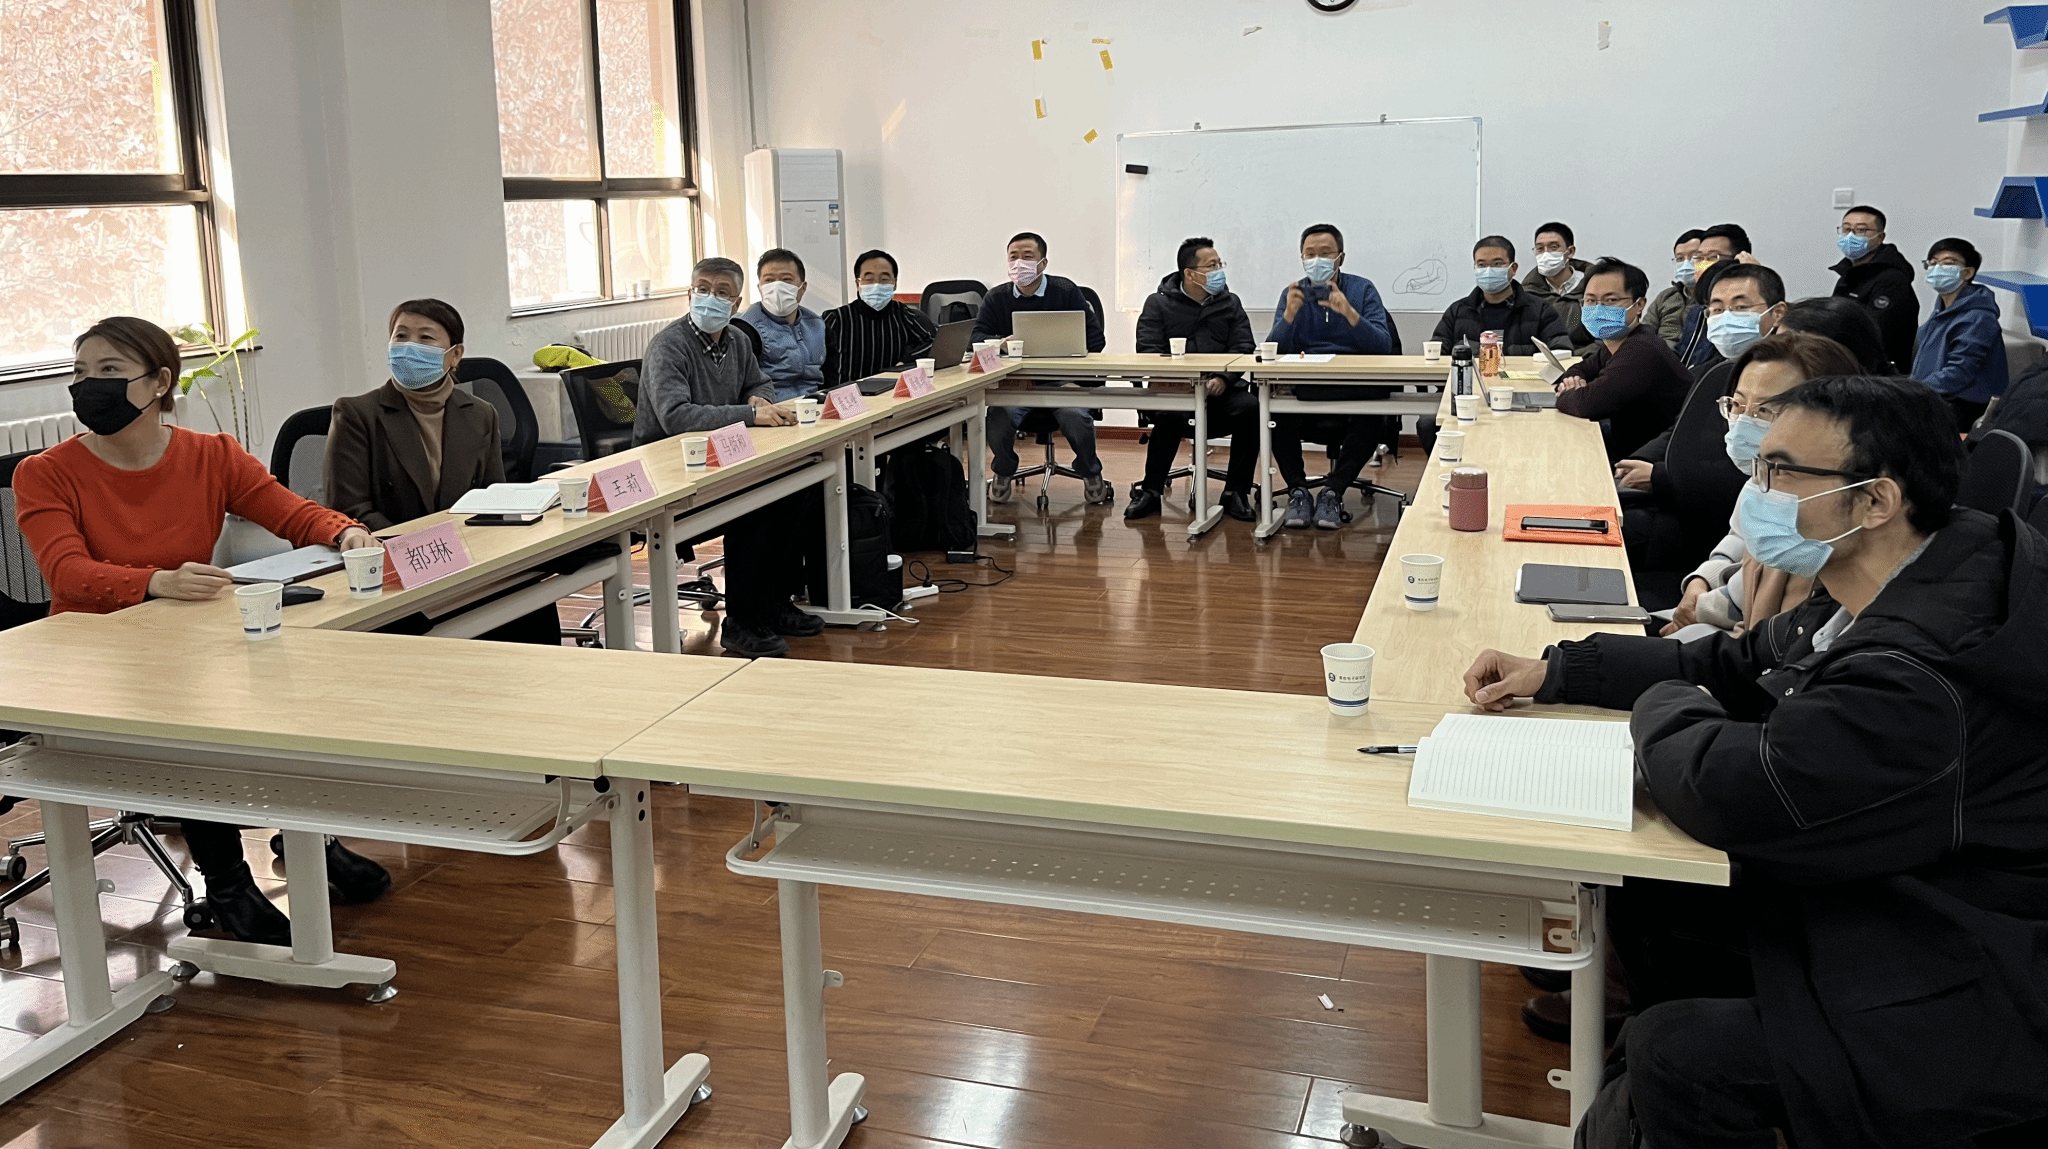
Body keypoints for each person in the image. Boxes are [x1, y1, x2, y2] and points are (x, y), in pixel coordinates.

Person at [1463, 374, 2048, 1149]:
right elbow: (1730, 664)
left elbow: (1726, 787)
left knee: (1677, 1055)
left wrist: (1660, 706)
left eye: (1779, 471)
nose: (1755, 490)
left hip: (1974, 968)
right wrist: (1561, 669)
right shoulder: (1898, 569)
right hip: (1894, 884)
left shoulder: (1919, 670)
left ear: (1877, 499)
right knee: (1651, 895)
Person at [12, 317, 392, 945]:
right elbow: (67, 573)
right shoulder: (45, 472)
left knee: (292, 691)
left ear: (160, 382)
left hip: (187, 640)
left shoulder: (210, 455)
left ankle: (309, 839)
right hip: (94, 658)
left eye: (109, 371)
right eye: (80, 373)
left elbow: (288, 512)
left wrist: (344, 531)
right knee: (194, 720)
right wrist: (156, 581)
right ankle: (228, 885)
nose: (88, 385)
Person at [324, 298, 562, 645]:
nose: (410, 347)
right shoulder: (357, 414)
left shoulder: (481, 414)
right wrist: (421, 549)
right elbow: (349, 510)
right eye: (401, 336)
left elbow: (492, 500)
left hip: (466, 560)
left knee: (532, 600)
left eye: (425, 338)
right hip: (397, 569)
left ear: (455, 355)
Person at [634, 256, 826, 658]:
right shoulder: (669, 346)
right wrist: (749, 414)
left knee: (798, 489)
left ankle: (772, 605)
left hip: (722, 462)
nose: (710, 298)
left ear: (736, 303)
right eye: (703, 289)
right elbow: (676, 417)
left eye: (722, 292)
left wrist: (759, 400)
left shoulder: (737, 341)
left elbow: (761, 383)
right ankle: (740, 622)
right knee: (755, 507)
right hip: (673, 473)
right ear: (689, 294)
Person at [1656, 332, 1863, 643]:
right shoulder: (1763, 478)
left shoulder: (1828, 508)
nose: (1743, 422)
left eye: (1765, 411)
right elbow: (1741, 539)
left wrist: (1703, 609)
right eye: (1737, 405)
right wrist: (1703, 580)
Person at [1613, 264, 1790, 607]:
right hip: (1678, 509)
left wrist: (1660, 477)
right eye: (1717, 309)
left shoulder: (1785, 381)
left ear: (1777, 312)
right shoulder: (1712, 369)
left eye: (1741, 307)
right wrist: (1637, 460)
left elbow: (1742, 478)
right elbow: (1678, 429)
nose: (1726, 317)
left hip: (1695, 525)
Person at [1266, 223, 1397, 531]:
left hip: (1355, 389)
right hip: (1308, 389)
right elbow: (1274, 351)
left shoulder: (1362, 290)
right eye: (1309, 254)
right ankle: (1298, 491)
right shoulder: (1293, 293)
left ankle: (1332, 492)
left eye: (1325, 253)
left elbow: (1382, 346)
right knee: (1274, 412)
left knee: (1373, 416)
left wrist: (1349, 313)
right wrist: (1289, 317)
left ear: (1341, 257)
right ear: (1302, 258)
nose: (1317, 260)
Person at [971, 231, 1111, 505]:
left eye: (1027, 256)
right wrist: (1000, 344)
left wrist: (1075, 375)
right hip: (1016, 384)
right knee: (998, 418)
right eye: (1013, 257)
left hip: (1062, 381)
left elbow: (1096, 340)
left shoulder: (1066, 291)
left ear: (1043, 263)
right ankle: (1004, 470)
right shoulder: (996, 297)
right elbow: (975, 339)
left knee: (1075, 415)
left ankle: (1090, 470)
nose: (1019, 263)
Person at [1126, 237, 1259, 522]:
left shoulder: (1230, 302)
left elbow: (1243, 346)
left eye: (1219, 264)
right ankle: (1151, 491)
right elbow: (1149, 350)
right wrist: (1185, 382)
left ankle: (1236, 492)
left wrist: (1223, 378)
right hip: (1178, 390)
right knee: (1168, 414)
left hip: (1222, 391)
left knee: (1251, 409)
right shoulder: (1158, 304)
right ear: (1190, 273)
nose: (1219, 271)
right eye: (1212, 266)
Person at [1553, 258, 1692, 462]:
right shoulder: (1618, 342)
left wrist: (1566, 393)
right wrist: (1574, 381)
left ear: (1640, 305)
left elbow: (1586, 404)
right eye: (1590, 301)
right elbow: (1581, 368)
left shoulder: (1641, 350)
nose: (1598, 309)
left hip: (1648, 463)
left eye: (1610, 300)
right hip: (1626, 447)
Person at [1912, 236, 2008, 433]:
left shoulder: (1979, 317)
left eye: (1948, 263)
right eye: (1933, 263)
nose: (1937, 268)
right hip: (1933, 398)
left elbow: (1958, 373)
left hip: (1962, 407)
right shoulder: (1941, 310)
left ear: (1968, 272)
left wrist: (1910, 391)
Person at [1430, 235, 1568, 354]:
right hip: (1470, 377)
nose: (1489, 270)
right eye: (1482, 265)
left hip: (1522, 378)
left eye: (1497, 264)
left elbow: (1561, 352)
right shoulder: (1457, 311)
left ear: (1513, 268)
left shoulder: (1541, 310)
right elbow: (1436, 354)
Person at [820, 248, 936, 386]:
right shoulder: (836, 319)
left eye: (884, 279)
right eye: (869, 279)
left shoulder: (903, 314)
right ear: (857, 284)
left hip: (891, 391)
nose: (876, 285)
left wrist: (906, 361)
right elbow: (815, 360)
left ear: (894, 283)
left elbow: (932, 342)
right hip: (848, 394)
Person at [1829, 204, 1920, 373]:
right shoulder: (1850, 272)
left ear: (1880, 237)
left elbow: (1876, 334)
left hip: (1878, 373)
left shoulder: (1893, 280)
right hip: (1847, 363)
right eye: (1846, 229)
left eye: (1861, 230)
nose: (1850, 236)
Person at [739, 247, 826, 401]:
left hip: (815, 403)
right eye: (769, 280)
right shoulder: (745, 327)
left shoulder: (817, 324)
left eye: (786, 280)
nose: (777, 287)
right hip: (772, 406)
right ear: (760, 288)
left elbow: (831, 376)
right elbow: (744, 385)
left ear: (803, 287)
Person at [1674, 223, 1758, 368]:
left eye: (1713, 257)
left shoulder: (1749, 313)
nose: (1703, 265)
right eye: (1699, 258)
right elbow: (1682, 354)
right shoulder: (1696, 312)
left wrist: (1755, 275)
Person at [1521, 221, 1592, 350]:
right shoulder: (1527, 293)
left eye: (1553, 247)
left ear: (1570, 252)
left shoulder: (1594, 287)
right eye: (1540, 249)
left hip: (1587, 358)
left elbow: (1605, 337)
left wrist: (1578, 358)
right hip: (1541, 358)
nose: (1546, 254)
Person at [1646, 229, 1705, 349]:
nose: (1686, 264)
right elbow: (1645, 332)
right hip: (1657, 354)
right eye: (1680, 259)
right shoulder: (1666, 297)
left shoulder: (1714, 299)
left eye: (1694, 257)